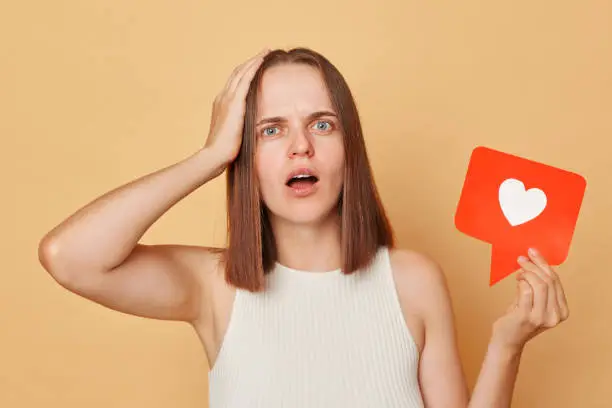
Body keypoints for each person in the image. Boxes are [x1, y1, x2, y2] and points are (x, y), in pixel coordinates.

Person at [38, 47, 570, 407]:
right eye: (271, 130)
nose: (301, 145)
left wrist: (507, 345)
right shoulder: (214, 286)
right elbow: (69, 255)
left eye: (322, 123)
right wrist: (209, 156)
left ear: (349, 149)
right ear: (245, 156)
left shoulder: (414, 281)